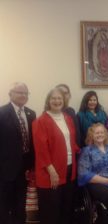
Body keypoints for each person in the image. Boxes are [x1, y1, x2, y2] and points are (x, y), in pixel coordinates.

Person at [32, 88, 79, 224]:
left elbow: (71, 142)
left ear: (64, 101)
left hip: (69, 169)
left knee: (66, 208)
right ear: (48, 101)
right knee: (51, 211)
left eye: (59, 98)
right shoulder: (40, 121)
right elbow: (41, 150)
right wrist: (52, 171)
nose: (57, 101)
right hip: (51, 172)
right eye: (53, 98)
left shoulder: (68, 118)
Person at [0, 82, 36, 224]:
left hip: (24, 168)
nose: (23, 95)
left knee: (21, 203)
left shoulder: (31, 113)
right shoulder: (2, 113)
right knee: (4, 204)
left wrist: (32, 165)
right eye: (19, 92)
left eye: (25, 93)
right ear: (10, 94)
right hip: (5, 169)